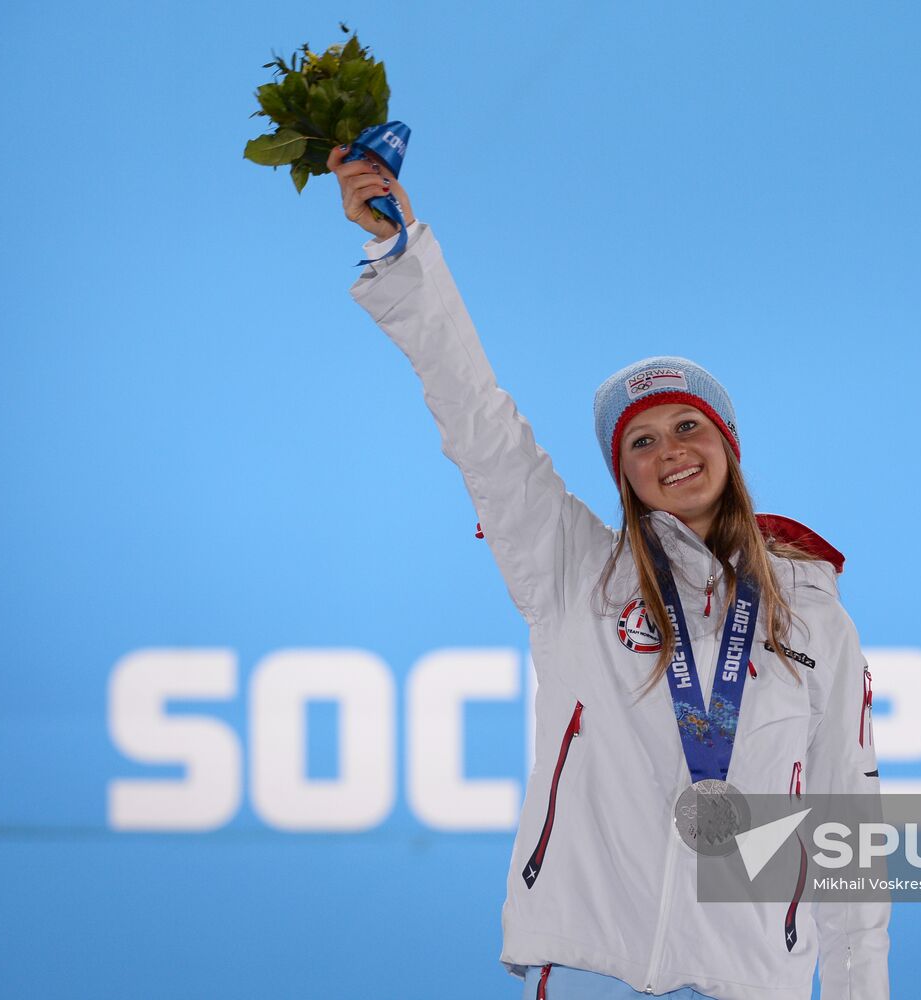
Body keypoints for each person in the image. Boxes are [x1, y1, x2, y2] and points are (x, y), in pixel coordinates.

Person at [329, 145, 890, 1000]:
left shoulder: (810, 617)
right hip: (589, 966)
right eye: (641, 440)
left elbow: (849, 836)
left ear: (728, 450)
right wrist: (403, 261)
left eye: (687, 427)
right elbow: (480, 423)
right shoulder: (575, 573)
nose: (670, 451)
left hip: (743, 982)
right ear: (622, 473)